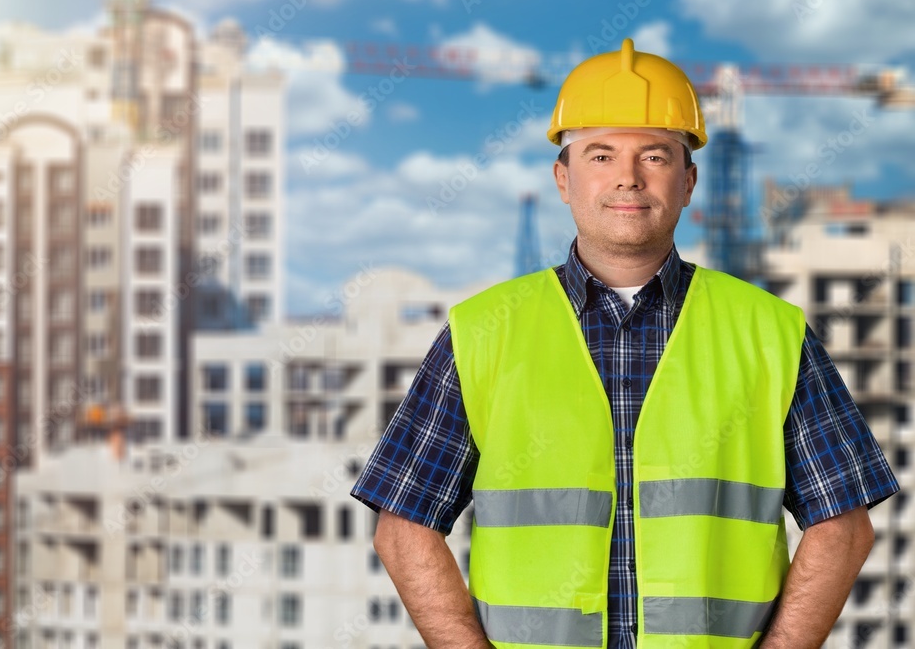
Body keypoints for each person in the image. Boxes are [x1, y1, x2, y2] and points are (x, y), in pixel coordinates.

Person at [351, 38, 898, 648]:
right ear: (564, 178)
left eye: (656, 157)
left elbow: (843, 526)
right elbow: (403, 525)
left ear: (688, 182)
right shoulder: (482, 332)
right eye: (601, 155)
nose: (628, 179)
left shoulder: (771, 333)